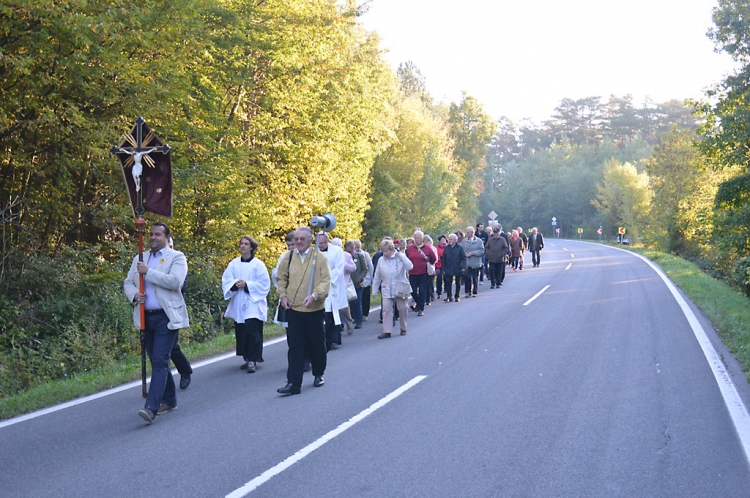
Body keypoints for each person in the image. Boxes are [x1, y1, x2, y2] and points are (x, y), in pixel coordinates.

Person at [124, 222, 189, 424]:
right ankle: (169, 400)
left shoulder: (176, 257)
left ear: (167, 237)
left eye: (158, 234)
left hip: (166, 316)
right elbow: (128, 282)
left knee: (160, 360)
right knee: (156, 360)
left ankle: (151, 408)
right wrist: (135, 295)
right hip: (145, 316)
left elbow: (174, 282)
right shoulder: (139, 257)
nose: (153, 237)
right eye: (151, 234)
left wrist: (148, 272)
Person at [276, 227, 331, 395]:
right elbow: (281, 278)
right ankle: (294, 383)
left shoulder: (319, 258)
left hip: (314, 309)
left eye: (302, 239)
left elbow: (325, 281)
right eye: (297, 239)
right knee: (295, 346)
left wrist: (315, 295)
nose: (299, 242)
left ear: (310, 240)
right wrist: (283, 296)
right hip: (294, 309)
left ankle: (318, 373)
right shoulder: (289, 257)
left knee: (316, 344)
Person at [222, 236, 271, 374]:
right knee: (241, 330)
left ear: (252, 247)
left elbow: (264, 284)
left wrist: (247, 285)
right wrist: (235, 284)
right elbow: (226, 279)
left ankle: (253, 359)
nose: (243, 246)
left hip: (253, 302)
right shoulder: (234, 264)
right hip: (239, 300)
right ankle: (246, 357)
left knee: (252, 330)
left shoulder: (258, 265)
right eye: (241, 244)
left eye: (246, 244)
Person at [371, 238, 413, 339]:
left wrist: (402, 256)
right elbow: (377, 275)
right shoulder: (381, 260)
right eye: (383, 251)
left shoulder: (399, 257)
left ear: (392, 249)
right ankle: (387, 330)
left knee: (402, 308)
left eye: (387, 251)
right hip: (386, 287)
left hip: (400, 286)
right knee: (386, 309)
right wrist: (374, 290)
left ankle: (403, 328)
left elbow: (410, 266)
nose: (385, 253)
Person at [167, 237, 192, 390]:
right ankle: (161, 383)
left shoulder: (179, 262)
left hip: (172, 309)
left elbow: (181, 285)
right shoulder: (155, 263)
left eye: (170, 245)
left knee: (171, 347)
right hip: (153, 310)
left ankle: (185, 371)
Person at [318, 233, 348, 350]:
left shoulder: (337, 250)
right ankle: (324, 339)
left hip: (333, 285)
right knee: (324, 312)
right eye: (318, 243)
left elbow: (340, 267)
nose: (320, 245)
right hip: (319, 284)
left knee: (332, 312)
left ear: (327, 241)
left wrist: (328, 278)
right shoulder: (313, 251)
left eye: (322, 243)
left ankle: (333, 339)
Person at [405, 230, 436, 316]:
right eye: (415, 238)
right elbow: (407, 259)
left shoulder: (427, 247)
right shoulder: (410, 248)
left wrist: (427, 265)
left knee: (422, 291)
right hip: (412, 273)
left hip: (424, 273)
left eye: (418, 238)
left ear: (422, 238)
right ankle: (419, 303)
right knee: (412, 290)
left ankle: (421, 309)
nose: (417, 240)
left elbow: (433, 259)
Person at [345, 240, 367, 329]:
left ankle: (359, 321)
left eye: (350, 251)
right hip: (348, 284)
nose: (349, 253)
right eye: (347, 251)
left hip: (358, 284)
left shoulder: (360, 256)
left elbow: (365, 269)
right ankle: (352, 318)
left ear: (354, 249)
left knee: (357, 302)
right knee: (350, 303)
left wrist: (360, 278)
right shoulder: (344, 257)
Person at [441, 233, 467, 302]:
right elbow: (443, 258)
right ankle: (449, 296)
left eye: (451, 239)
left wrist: (464, 267)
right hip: (448, 268)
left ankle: (457, 296)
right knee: (448, 282)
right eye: (449, 239)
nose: (450, 241)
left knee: (458, 283)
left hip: (458, 267)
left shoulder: (460, 247)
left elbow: (464, 257)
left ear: (455, 240)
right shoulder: (446, 248)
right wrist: (443, 268)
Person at [460, 226, 484, 298]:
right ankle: (467, 292)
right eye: (466, 232)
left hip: (475, 262)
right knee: (467, 277)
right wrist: (465, 254)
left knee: (475, 278)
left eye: (468, 232)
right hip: (467, 262)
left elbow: (482, 251)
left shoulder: (479, 241)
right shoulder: (464, 241)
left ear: (472, 232)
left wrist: (473, 253)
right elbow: (462, 250)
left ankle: (475, 291)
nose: (466, 233)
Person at [355, 240, 374, 321]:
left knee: (365, 298)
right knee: (357, 298)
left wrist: (372, 278)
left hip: (366, 279)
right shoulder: (352, 255)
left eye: (358, 247)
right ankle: (357, 314)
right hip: (356, 280)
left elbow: (370, 266)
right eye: (355, 247)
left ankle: (365, 314)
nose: (357, 249)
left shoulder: (365, 254)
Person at [423, 234, 437, 305]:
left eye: (427, 241)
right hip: (422, 268)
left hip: (430, 268)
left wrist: (429, 262)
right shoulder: (421, 248)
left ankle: (430, 297)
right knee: (425, 283)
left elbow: (435, 259)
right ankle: (426, 298)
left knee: (429, 283)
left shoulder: (433, 248)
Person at [434, 235, 447, 300]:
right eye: (442, 240)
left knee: (446, 277)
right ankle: (439, 292)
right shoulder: (436, 248)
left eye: (444, 240)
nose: (444, 241)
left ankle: (446, 289)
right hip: (438, 265)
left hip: (446, 265)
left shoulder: (447, 247)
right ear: (439, 241)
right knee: (439, 278)